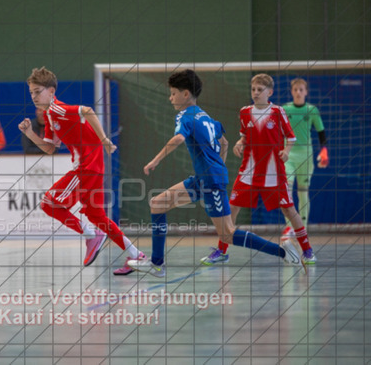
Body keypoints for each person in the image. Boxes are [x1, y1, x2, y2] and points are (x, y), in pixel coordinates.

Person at [124, 70, 305, 277]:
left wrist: (155, 160)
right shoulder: (205, 116)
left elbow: (179, 139)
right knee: (157, 204)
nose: (170, 98)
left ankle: (284, 253)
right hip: (204, 178)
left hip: (210, 181)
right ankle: (156, 264)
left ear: (186, 94)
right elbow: (224, 142)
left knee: (227, 234)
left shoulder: (185, 115)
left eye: (173, 93)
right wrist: (218, 166)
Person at [19, 67, 145, 270]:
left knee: (48, 203)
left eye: (37, 91)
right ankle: (137, 255)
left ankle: (91, 235)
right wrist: (31, 134)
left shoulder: (56, 109)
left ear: (51, 91)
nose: (33, 96)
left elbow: (87, 111)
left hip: (86, 167)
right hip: (94, 167)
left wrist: (104, 139)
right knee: (98, 217)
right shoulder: (50, 115)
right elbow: (51, 148)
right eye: (31, 92)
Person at [200, 73, 315, 266]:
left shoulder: (278, 112)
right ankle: (222, 251)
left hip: (273, 173)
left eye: (260, 90)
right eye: (253, 89)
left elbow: (291, 137)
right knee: (230, 210)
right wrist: (239, 143)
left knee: (289, 210)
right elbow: (245, 136)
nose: (255, 93)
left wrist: (286, 151)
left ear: (270, 92)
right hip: (248, 171)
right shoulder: (245, 112)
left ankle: (307, 250)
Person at [280, 78, 327, 258]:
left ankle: (303, 229)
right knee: (286, 189)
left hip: (306, 156)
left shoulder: (312, 110)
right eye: (295, 89)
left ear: (306, 92)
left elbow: (321, 132)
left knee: (303, 192)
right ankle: (290, 227)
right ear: (291, 91)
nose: (298, 92)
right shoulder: (285, 109)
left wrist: (324, 151)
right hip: (289, 155)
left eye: (301, 89)